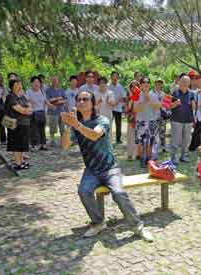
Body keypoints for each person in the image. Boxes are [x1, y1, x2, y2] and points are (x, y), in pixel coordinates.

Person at [60, 91, 153, 241]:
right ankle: (98, 223)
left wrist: (75, 124)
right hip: (92, 170)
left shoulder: (102, 120)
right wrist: (68, 126)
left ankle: (138, 226)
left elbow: (94, 135)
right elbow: (65, 146)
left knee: (118, 193)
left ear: (93, 103)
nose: (81, 102)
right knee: (83, 191)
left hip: (110, 169)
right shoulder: (76, 125)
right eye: (79, 100)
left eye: (85, 99)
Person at [5, 79, 33, 170]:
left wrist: (27, 110)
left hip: (24, 123)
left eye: (20, 83)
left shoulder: (22, 96)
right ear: (12, 86)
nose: (20, 85)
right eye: (17, 84)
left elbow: (30, 107)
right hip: (15, 124)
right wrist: (26, 111)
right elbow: (21, 110)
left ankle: (21, 161)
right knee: (17, 144)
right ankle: (17, 163)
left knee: (22, 144)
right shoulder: (11, 97)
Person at [133, 77, 161, 167]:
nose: (146, 83)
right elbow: (135, 109)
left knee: (150, 143)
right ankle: (142, 160)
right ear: (140, 85)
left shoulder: (153, 95)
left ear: (150, 84)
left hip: (151, 121)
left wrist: (149, 100)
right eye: (143, 82)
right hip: (141, 122)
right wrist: (145, 101)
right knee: (141, 143)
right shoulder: (137, 94)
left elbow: (158, 107)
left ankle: (149, 161)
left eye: (148, 82)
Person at [170, 76, 196, 164]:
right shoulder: (175, 93)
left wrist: (194, 105)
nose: (184, 83)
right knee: (175, 140)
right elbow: (169, 106)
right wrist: (175, 104)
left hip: (188, 120)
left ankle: (184, 156)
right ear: (179, 82)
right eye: (183, 81)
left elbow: (194, 107)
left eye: (186, 82)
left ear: (189, 83)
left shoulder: (192, 94)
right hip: (176, 120)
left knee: (186, 140)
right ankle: (174, 158)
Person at [27, 76, 53, 151]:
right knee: (34, 130)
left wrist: (51, 106)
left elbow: (45, 101)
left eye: (38, 82)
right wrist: (29, 104)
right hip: (33, 113)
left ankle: (43, 144)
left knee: (42, 130)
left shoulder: (41, 91)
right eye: (35, 82)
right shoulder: (29, 91)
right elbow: (27, 101)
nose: (37, 84)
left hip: (42, 112)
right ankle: (34, 145)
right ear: (31, 83)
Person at [46, 76, 67, 146]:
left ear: (58, 81)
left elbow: (65, 99)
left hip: (61, 111)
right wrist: (58, 98)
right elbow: (48, 100)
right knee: (52, 127)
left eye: (56, 80)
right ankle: (52, 140)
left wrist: (57, 101)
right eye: (53, 80)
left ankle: (62, 141)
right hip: (52, 111)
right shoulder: (48, 90)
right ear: (51, 81)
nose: (55, 81)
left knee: (62, 127)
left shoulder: (61, 90)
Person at [189, 75, 201, 151]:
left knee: (200, 129)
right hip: (194, 112)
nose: (195, 81)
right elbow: (193, 95)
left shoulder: (200, 91)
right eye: (193, 79)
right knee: (196, 129)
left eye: (196, 79)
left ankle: (199, 145)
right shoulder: (190, 90)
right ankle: (193, 146)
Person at [109, 71, 126, 144]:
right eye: (113, 76)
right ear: (111, 77)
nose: (115, 78)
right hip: (109, 108)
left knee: (118, 124)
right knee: (108, 124)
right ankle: (108, 139)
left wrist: (118, 101)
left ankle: (118, 139)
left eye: (116, 76)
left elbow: (124, 97)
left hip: (118, 109)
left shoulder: (120, 87)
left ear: (118, 77)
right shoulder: (108, 86)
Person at [151, 79, 167, 158]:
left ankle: (163, 146)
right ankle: (154, 148)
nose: (159, 85)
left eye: (160, 84)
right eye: (157, 84)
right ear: (155, 84)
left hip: (162, 115)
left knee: (163, 131)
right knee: (154, 132)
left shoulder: (163, 94)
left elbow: (166, 103)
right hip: (154, 115)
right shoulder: (151, 93)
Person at [126, 81, 139, 160]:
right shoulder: (129, 97)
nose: (134, 88)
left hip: (140, 119)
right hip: (131, 119)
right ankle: (130, 154)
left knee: (138, 137)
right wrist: (132, 96)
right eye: (132, 86)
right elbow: (129, 108)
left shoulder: (141, 96)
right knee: (130, 137)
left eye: (136, 86)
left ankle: (138, 154)